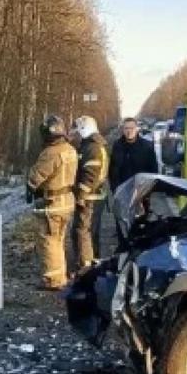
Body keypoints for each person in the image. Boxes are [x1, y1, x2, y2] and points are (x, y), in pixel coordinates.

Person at [26, 114, 78, 290]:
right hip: (67, 201)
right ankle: (60, 275)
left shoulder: (50, 153)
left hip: (52, 202)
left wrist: (30, 185)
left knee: (49, 241)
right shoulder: (70, 149)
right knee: (59, 239)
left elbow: (36, 177)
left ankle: (54, 280)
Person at [72, 115, 109, 271]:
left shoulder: (92, 148)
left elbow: (90, 176)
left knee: (82, 232)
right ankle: (94, 263)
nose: (76, 133)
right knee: (91, 232)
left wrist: (80, 195)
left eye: (78, 130)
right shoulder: (92, 145)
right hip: (94, 197)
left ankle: (85, 268)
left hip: (89, 198)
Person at [109, 117, 159, 191]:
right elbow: (112, 169)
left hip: (141, 191)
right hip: (122, 191)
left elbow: (153, 170)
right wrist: (114, 188)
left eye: (132, 128)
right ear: (123, 130)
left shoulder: (147, 146)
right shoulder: (117, 146)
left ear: (136, 129)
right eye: (126, 128)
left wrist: (149, 190)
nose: (129, 131)